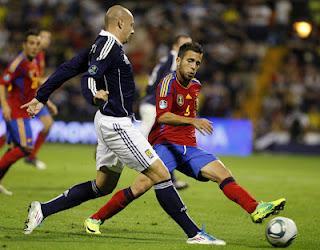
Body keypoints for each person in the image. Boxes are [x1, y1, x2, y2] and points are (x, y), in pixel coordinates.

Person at [22, 5, 225, 245]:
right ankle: (194, 234)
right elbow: (89, 77)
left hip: (113, 121)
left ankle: (42, 210)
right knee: (160, 173)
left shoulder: (102, 45)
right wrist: (93, 95)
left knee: (103, 186)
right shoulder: (107, 46)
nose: (133, 30)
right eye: (131, 25)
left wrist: (40, 96)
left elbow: (69, 68)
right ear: (119, 23)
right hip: (116, 124)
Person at [83, 42, 286, 236]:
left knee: (222, 173)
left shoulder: (196, 85)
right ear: (178, 61)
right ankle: (95, 218)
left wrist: (191, 125)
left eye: (197, 63)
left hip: (189, 148)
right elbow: (162, 116)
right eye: (190, 61)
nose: (194, 66)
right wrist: (193, 121)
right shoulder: (167, 83)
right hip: (165, 145)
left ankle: (255, 208)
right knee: (139, 187)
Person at [140, 35, 192, 190]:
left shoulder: (167, 60)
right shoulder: (175, 59)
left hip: (152, 104)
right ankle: (112, 145)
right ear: (176, 46)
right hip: (154, 106)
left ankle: (171, 179)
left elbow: (152, 85)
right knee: (143, 139)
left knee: (165, 142)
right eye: (185, 45)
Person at [0, 30, 41, 195]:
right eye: (31, 43)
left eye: (37, 44)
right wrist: (4, 104)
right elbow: (2, 83)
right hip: (15, 111)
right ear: (24, 44)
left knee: (14, 148)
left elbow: (34, 87)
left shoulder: (33, 62)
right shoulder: (18, 63)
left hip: (23, 112)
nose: (34, 47)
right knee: (26, 148)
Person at [24, 30, 58, 170]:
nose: (47, 40)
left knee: (48, 124)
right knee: (13, 135)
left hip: (35, 96)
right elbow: (32, 78)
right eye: (44, 37)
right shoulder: (34, 54)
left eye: (49, 37)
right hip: (26, 96)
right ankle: (30, 156)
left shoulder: (41, 55)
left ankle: (31, 157)